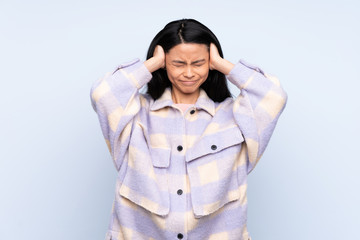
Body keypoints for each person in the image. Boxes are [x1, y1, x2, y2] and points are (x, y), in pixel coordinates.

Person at [90, 18, 287, 240]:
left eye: (199, 63)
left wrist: (223, 64)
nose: (189, 73)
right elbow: (103, 95)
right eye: (179, 63)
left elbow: (274, 97)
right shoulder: (135, 114)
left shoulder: (234, 115)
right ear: (164, 62)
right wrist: (152, 63)